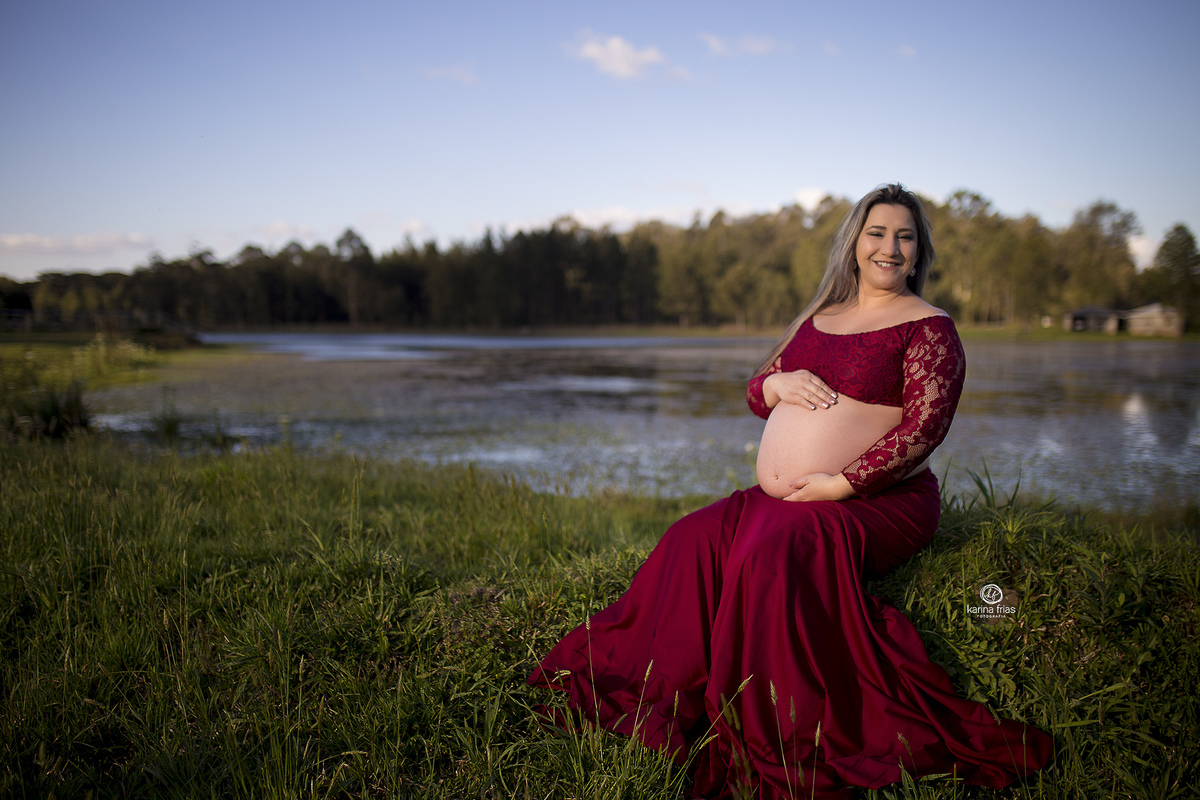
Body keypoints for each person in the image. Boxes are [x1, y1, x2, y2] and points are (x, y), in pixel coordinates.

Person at [528, 184, 1053, 798]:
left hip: (880, 501)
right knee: (691, 539)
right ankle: (653, 690)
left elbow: (925, 428)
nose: (889, 247)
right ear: (854, 243)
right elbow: (759, 391)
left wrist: (842, 483)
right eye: (877, 233)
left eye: (904, 236)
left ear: (919, 251)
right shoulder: (818, 316)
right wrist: (779, 386)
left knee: (769, 557)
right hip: (787, 496)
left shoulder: (929, 327)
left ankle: (765, 724)